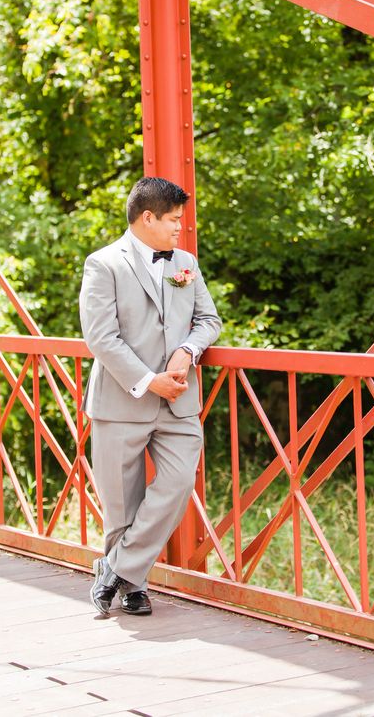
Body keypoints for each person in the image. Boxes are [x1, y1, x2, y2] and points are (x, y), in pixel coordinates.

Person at [79, 176, 221, 617]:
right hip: (123, 400)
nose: (181, 228)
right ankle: (134, 586)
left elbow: (209, 320)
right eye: (174, 221)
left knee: (178, 484)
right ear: (147, 218)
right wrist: (147, 379)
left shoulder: (186, 263)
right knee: (122, 505)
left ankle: (114, 569)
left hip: (179, 402)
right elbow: (101, 337)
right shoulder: (103, 264)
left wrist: (188, 348)